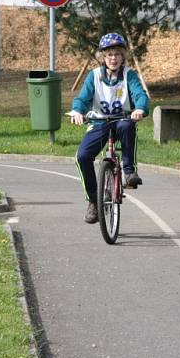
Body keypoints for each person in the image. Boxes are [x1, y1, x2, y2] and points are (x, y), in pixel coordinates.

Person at [69, 32, 150, 224]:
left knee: (127, 126)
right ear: (103, 57)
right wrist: (77, 111)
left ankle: (129, 172)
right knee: (82, 157)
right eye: (109, 55)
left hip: (122, 119)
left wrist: (139, 108)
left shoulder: (129, 75)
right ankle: (93, 202)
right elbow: (83, 98)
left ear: (123, 56)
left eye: (117, 54)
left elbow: (140, 94)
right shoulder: (94, 76)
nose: (113, 58)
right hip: (99, 122)